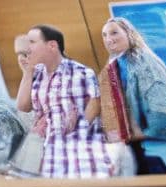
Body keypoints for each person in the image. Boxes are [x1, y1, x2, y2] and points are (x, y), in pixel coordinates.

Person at [98, 17, 166, 174]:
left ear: (129, 34)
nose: (109, 39)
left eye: (114, 33)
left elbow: (164, 108)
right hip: (136, 148)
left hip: (160, 149)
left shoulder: (143, 62)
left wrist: (141, 134)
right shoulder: (115, 63)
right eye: (104, 35)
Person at [16, 24, 112, 178]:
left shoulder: (81, 72)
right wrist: (27, 73)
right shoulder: (37, 75)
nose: (27, 48)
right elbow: (23, 106)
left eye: (32, 42)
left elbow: (95, 104)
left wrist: (77, 131)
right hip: (48, 151)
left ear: (52, 45)